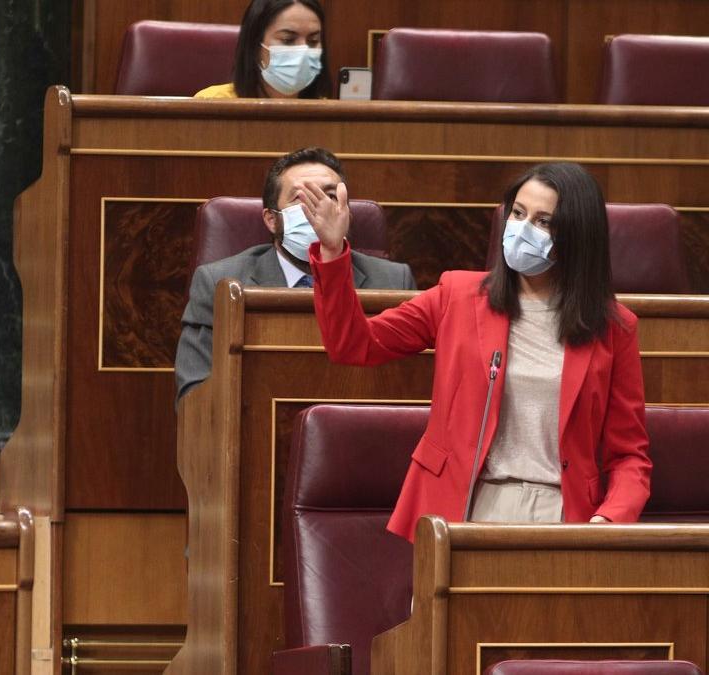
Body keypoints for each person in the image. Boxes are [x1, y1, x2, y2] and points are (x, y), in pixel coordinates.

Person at [306, 162, 651, 540]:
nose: (522, 229)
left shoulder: (614, 328)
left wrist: (609, 520)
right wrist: (333, 251)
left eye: (543, 221)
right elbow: (353, 345)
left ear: (577, 236)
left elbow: (629, 456)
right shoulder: (457, 295)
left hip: (563, 513)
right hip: (466, 504)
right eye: (518, 214)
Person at [175, 147, 415, 400]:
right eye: (302, 198)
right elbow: (194, 394)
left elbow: (408, 387)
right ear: (271, 219)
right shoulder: (218, 283)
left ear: (346, 213)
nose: (318, 208)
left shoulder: (393, 281)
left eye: (330, 196)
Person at [196, 0, 331, 100]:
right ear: (255, 46)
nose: (304, 50)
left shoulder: (328, 113)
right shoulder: (213, 102)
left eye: (313, 41)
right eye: (288, 40)